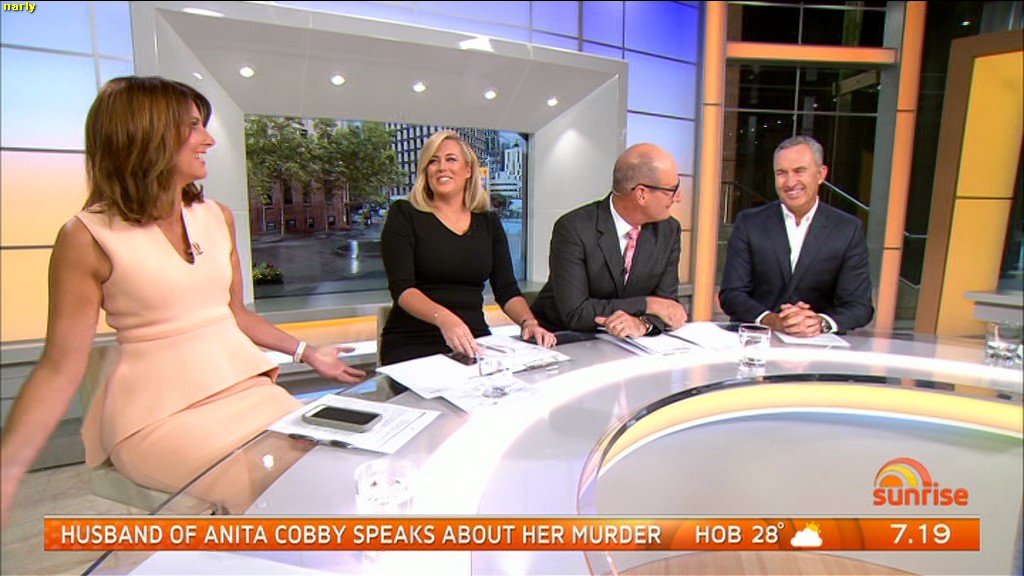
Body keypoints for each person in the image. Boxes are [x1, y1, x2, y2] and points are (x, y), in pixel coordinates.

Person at [0, 76, 365, 526]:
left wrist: (308, 352)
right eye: (193, 126)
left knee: (338, 464)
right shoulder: (85, 236)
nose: (208, 139)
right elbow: (59, 369)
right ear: (144, 134)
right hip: (157, 418)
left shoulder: (217, 217)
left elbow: (234, 313)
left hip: (248, 394)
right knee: (278, 490)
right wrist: (9, 469)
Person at [380, 130, 556, 365]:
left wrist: (529, 323)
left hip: (474, 339)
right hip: (413, 340)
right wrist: (444, 319)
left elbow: (507, 289)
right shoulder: (404, 214)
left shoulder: (488, 222)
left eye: (451, 159)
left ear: (468, 170)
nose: (441, 167)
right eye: (433, 161)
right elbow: (402, 289)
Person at [718, 135, 874, 336]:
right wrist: (773, 320)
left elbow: (860, 306)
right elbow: (732, 294)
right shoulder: (749, 223)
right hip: (757, 340)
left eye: (799, 171)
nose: (790, 182)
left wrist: (819, 323)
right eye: (781, 173)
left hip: (820, 345)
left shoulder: (848, 229)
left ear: (821, 174)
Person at [530, 143, 689, 339]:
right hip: (562, 338)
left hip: (625, 343)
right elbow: (577, 312)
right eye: (672, 190)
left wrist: (643, 323)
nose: (678, 198)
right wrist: (648, 304)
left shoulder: (668, 230)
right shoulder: (574, 228)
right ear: (641, 193)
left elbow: (668, 306)